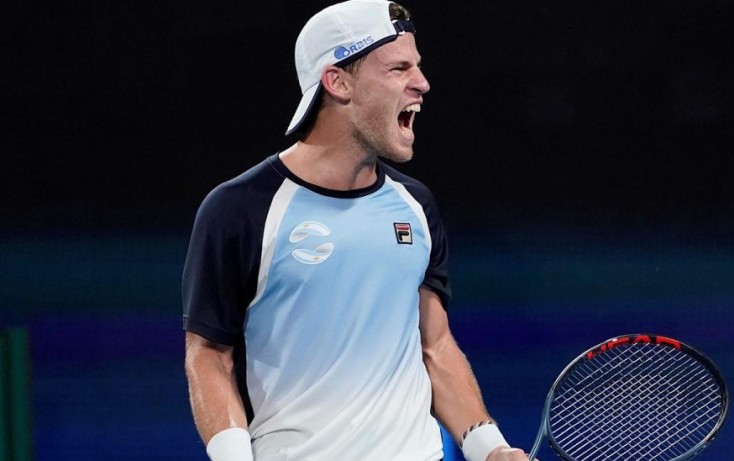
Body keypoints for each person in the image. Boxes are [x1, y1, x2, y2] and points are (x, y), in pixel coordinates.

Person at [182, 1, 532, 460]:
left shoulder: (416, 206)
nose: (422, 83)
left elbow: (435, 345)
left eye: (417, 66)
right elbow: (209, 354)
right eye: (399, 68)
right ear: (338, 82)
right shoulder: (239, 209)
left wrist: (490, 448)